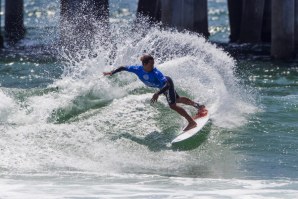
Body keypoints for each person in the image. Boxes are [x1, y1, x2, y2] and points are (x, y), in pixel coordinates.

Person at [103, 54, 207, 131]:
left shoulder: (156, 73)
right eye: (151, 64)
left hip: (166, 85)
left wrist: (158, 93)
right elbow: (123, 67)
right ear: (144, 64)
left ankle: (191, 122)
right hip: (163, 87)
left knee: (173, 105)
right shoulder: (137, 69)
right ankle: (199, 106)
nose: (153, 66)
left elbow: (167, 85)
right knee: (178, 99)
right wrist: (111, 72)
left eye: (153, 64)